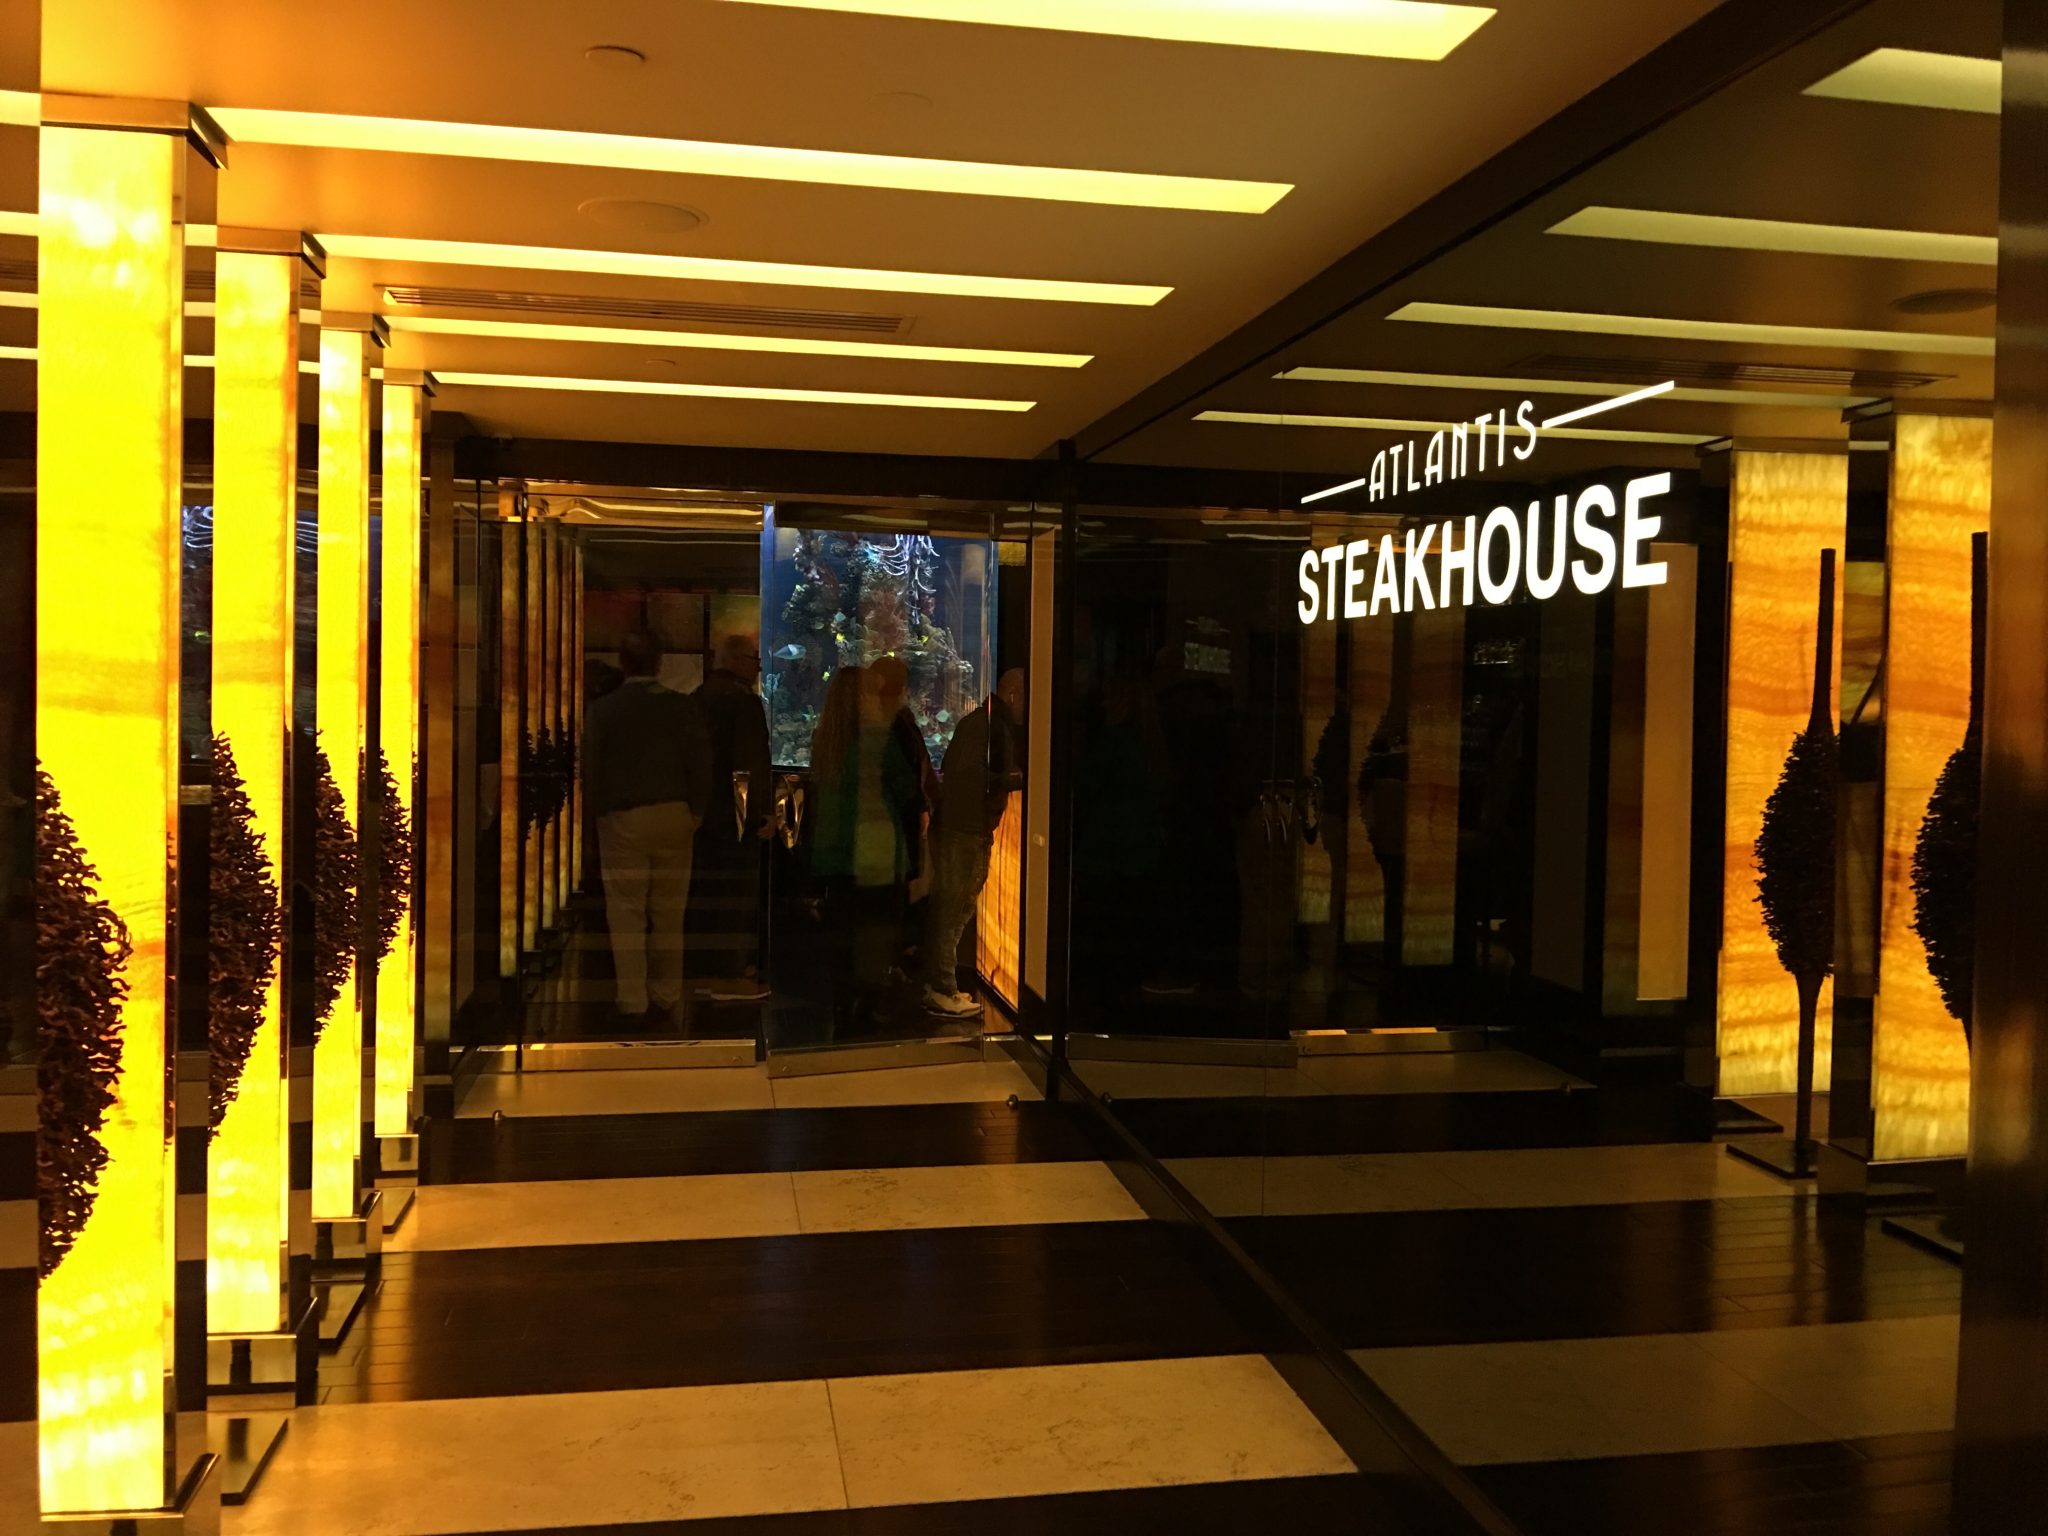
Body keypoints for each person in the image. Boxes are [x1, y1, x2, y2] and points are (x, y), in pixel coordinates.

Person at [583, 631, 711, 1020]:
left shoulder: (604, 710)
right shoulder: (682, 707)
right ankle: (667, 993)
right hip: (675, 813)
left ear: (623, 663)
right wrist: (696, 811)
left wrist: (596, 817)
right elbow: (701, 762)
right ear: (659, 663)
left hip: (623, 818)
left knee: (626, 910)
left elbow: (591, 768)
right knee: (670, 911)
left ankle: (632, 998)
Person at [808, 663, 921, 1033]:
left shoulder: (825, 739)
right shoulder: (877, 737)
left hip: (834, 854)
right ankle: (869, 1011)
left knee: (842, 936)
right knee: (876, 935)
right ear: (863, 698)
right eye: (872, 692)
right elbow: (907, 790)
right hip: (875, 854)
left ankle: (842, 1009)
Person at [922, 669, 1025, 1017]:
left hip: (961, 828)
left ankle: (939, 983)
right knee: (954, 909)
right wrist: (1015, 779)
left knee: (951, 908)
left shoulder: (981, 723)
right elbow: (970, 777)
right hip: (964, 831)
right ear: (1013, 693)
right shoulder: (988, 726)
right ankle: (942, 988)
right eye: (1027, 697)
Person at [692, 631, 774, 1002]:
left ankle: (706, 969)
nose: (757, 667)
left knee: (707, 892)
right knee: (736, 894)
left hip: (704, 814)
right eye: (754, 659)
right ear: (738, 661)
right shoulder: (743, 702)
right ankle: (728, 974)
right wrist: (759, 813)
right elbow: (748, 764)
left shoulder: (699, 696)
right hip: (734, 817)